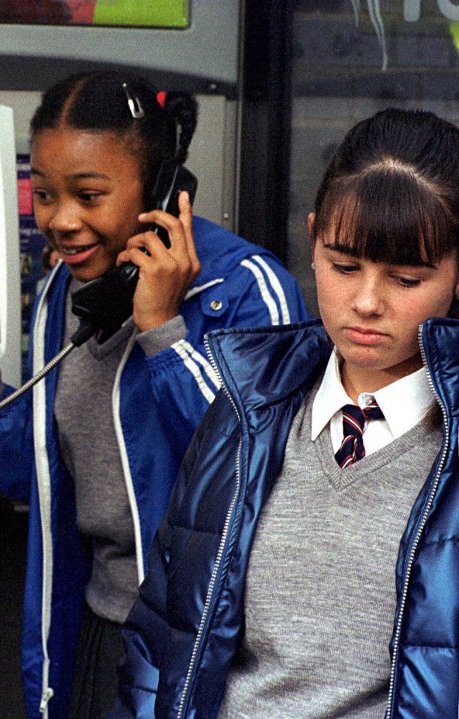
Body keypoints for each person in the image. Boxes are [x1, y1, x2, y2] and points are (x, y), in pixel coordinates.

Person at [0, 70, 308, 719]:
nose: (61, 220)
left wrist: (164, 331)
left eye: (89, 194)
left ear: (160, 187)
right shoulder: (61, 295)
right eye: (44, 194)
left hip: (205, 639)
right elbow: (34, 481)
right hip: (98, 623)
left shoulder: (247, 289)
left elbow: (263, 474)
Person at [114, 107, 459, 719]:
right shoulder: (247, 412)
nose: (366, 301)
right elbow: (161, 636)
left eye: (406, 277)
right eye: (343, 265)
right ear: (311, 238)